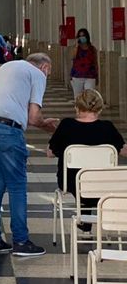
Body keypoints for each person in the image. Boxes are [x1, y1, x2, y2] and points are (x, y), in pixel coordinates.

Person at [0, 53, 59, 257]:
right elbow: (34, 117)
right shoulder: (37, 74)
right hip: (6, 130)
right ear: (45, 67)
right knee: (17, 185)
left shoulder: (8, 66)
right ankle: (21, 241)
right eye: (49, 72)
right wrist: (47, 126)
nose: (47, 76)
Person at [47, 89, 127, 228]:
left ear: (77, 107)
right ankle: (90, 216)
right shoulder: (107, 128)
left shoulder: (67, 125)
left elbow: (50, 153)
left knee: (80, 178)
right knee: (94, 177)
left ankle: (84, 216)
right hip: (102, 182)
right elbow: (124, 151)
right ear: (100, 107)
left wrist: (57, 134)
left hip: (71, 182)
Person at [69, 28, 98, 99]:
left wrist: (97, 75)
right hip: (77, 75)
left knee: (89, 96)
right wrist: (76, 45)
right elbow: (73, 57)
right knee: (78, 97)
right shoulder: (76, 48)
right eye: (80, 36)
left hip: (90, 75)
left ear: (87, 36)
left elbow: (95, 62)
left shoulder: (92, 49)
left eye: (83, 35)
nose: (82, 37)